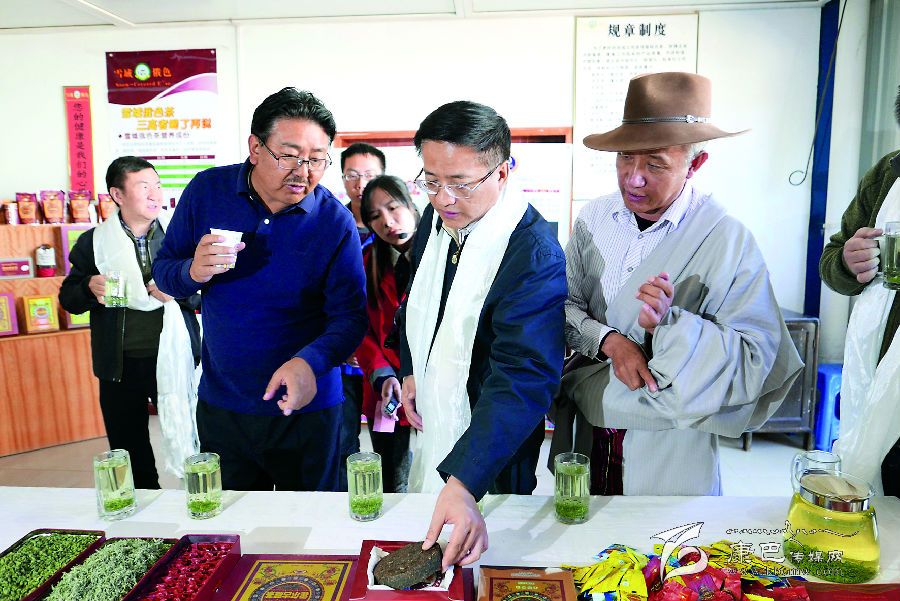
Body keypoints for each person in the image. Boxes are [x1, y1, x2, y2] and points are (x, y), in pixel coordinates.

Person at [552, 72, 803, 495]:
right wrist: (611, 341)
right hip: (590, 422)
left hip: (672, 438)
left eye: (655, 164)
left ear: (695, 164)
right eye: (625, 158)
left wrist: (670, 327)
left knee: (667, 536)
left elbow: (756, 356)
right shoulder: (595, 219)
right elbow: (563, 306)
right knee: (586, 532)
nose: (634, 178)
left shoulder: (726, 238)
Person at [152, 87, 368, 492]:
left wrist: (310, 362)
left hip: (307, 409)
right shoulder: (207, 191)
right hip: (224, 403)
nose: (303, 171)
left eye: (317, 159)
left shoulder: (334, 222)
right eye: (289, 155)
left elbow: (350, 317)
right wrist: (193, 272)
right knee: (228, 521)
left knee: (309, 523)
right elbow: (164, 272)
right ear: (255, 147)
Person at [397, 101, 566, 568]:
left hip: (494, 441)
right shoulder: (436, 220)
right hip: (435, 412)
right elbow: (418, 305)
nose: (443, 198)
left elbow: (524, 375)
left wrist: (465, 479)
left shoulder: (532, 252)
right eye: (432, 180)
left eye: (460, 183)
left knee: (491, 562)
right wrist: (412, 370)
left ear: (503, 172)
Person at [59, 156, 201, 489]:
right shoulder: (94, 242)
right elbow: (69, 299)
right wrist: (88, 287)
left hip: (173, 356)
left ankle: (199, 500)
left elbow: (208, 293)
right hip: (118, 363)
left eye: (158, 186)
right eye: (143, 186)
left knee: (193, 432)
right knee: (128, 446)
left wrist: (177, 289)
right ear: (118, 195)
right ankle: (146, 507)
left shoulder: (180, 235)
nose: (155, 194)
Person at [820, 84, 900, 495]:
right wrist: (849, 262)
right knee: (879, 487)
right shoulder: (889, 173)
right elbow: (833, 259)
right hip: (879, 377)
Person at [354, 175, 419, 492]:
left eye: (393, 208)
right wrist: (382, 374)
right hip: (386, 389)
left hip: (435, 385)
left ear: (411, 204)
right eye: (375, 216)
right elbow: (361, 328)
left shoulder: (443, 256)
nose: (388, 222)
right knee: (393, 479)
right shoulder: (367, 263)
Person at [337, 143, 385, 491]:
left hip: (384, 361)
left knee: (389, 446)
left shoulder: (396, 229)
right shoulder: (331, 225)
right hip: (341, 362)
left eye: (369, 175)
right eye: (352, 175)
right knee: (342, 442)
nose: (360, 183)